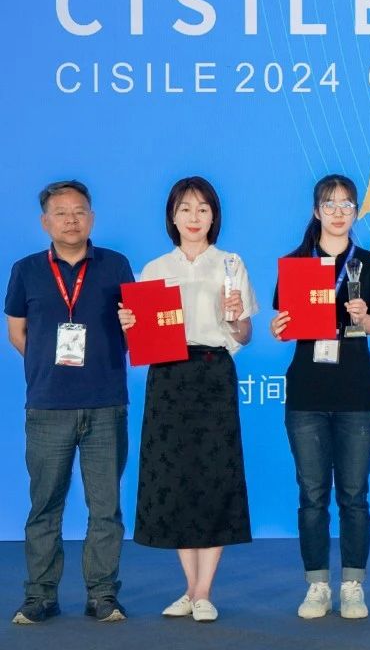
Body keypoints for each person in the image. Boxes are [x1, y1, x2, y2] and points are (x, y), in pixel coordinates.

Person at [117, 177, 255, 622]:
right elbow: (141, 337)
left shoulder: (231, 263)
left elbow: (245, 335)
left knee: (214, 478)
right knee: (175, 478)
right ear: (172, 217)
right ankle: (190, 588)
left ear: (214, 216)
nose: (194, 218)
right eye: (185, 209)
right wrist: (129, 324)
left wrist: (236, 318)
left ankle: (203, 591)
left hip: (213, 372)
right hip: (168, 377)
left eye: (203, 209)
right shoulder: (155, 268)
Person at [6, 180, 135, 624]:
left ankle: (103, 595)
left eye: (79, 211)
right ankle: (40, 596)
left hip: (106, 402)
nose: (71, 219)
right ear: (46, 222)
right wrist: (49, 365)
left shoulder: (116, 265)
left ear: (92, 218)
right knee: (45, 506)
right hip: (47, 406)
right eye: (61, 213)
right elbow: (17, 332)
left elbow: (134, 327)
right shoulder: (26, 270)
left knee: (106, 509)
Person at [270, 174, 370, 619]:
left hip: (356, 392)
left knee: (354, 495)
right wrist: (278, 329)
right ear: (316, 210)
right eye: (330, 204)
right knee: (312, 495)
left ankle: (353, 584)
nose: (338, 212)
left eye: (346, 205)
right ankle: (317, 584)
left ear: (356, 212)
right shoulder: (296, 263)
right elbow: (284, 325)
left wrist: (364, 317)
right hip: (307, 392)